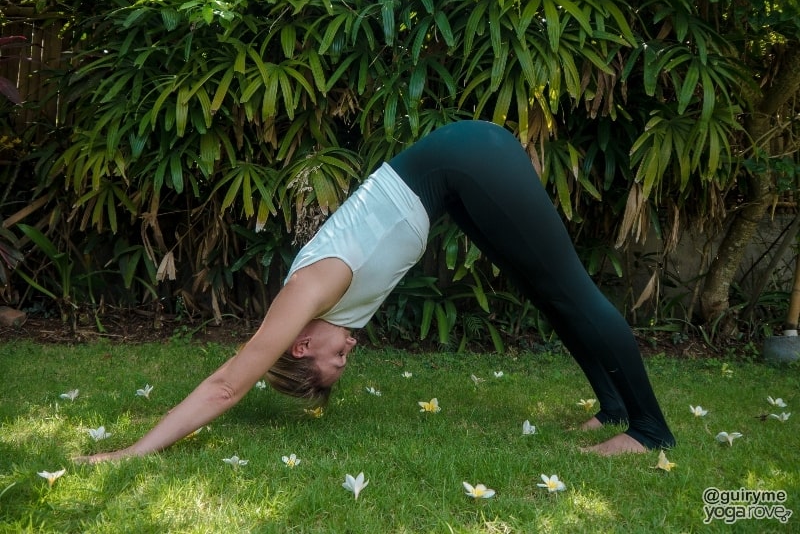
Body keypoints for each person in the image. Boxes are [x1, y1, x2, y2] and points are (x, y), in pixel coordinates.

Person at [76, 120, 674, 463]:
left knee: (570, 288)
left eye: (337, 357)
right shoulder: (332, 309)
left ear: (301, 347)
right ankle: (614, 408)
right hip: (454, 186)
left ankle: (649, 430)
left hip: (466, 161)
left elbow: (229, 383)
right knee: (548, 292)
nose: (350, 352)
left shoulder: (309, 292)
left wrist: (131, 452)